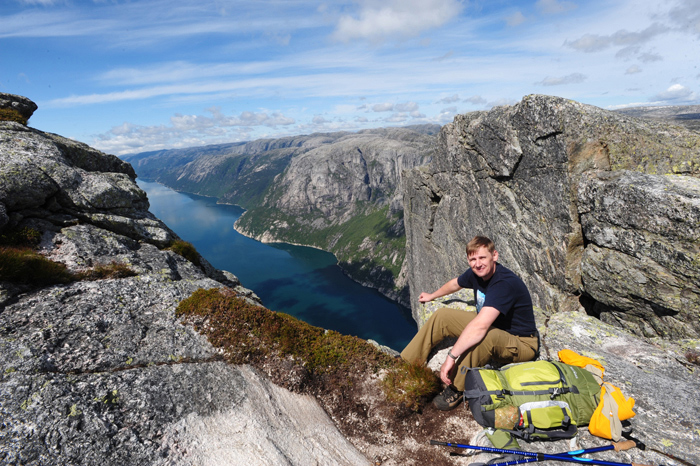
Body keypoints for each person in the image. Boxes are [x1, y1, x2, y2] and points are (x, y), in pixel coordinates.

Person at [400, 236, 539, 411]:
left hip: (521, 342)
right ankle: (407, 361)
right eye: (473, 259)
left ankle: (456, 387)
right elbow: (455, 284)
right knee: (442, 316)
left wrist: (451, 357)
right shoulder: (476, 274)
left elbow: (480, 327)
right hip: (495, 326)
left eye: (482, 257)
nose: (477, 263)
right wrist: (432, 296)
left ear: (494, 256)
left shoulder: (504, 283)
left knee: (485, 336)